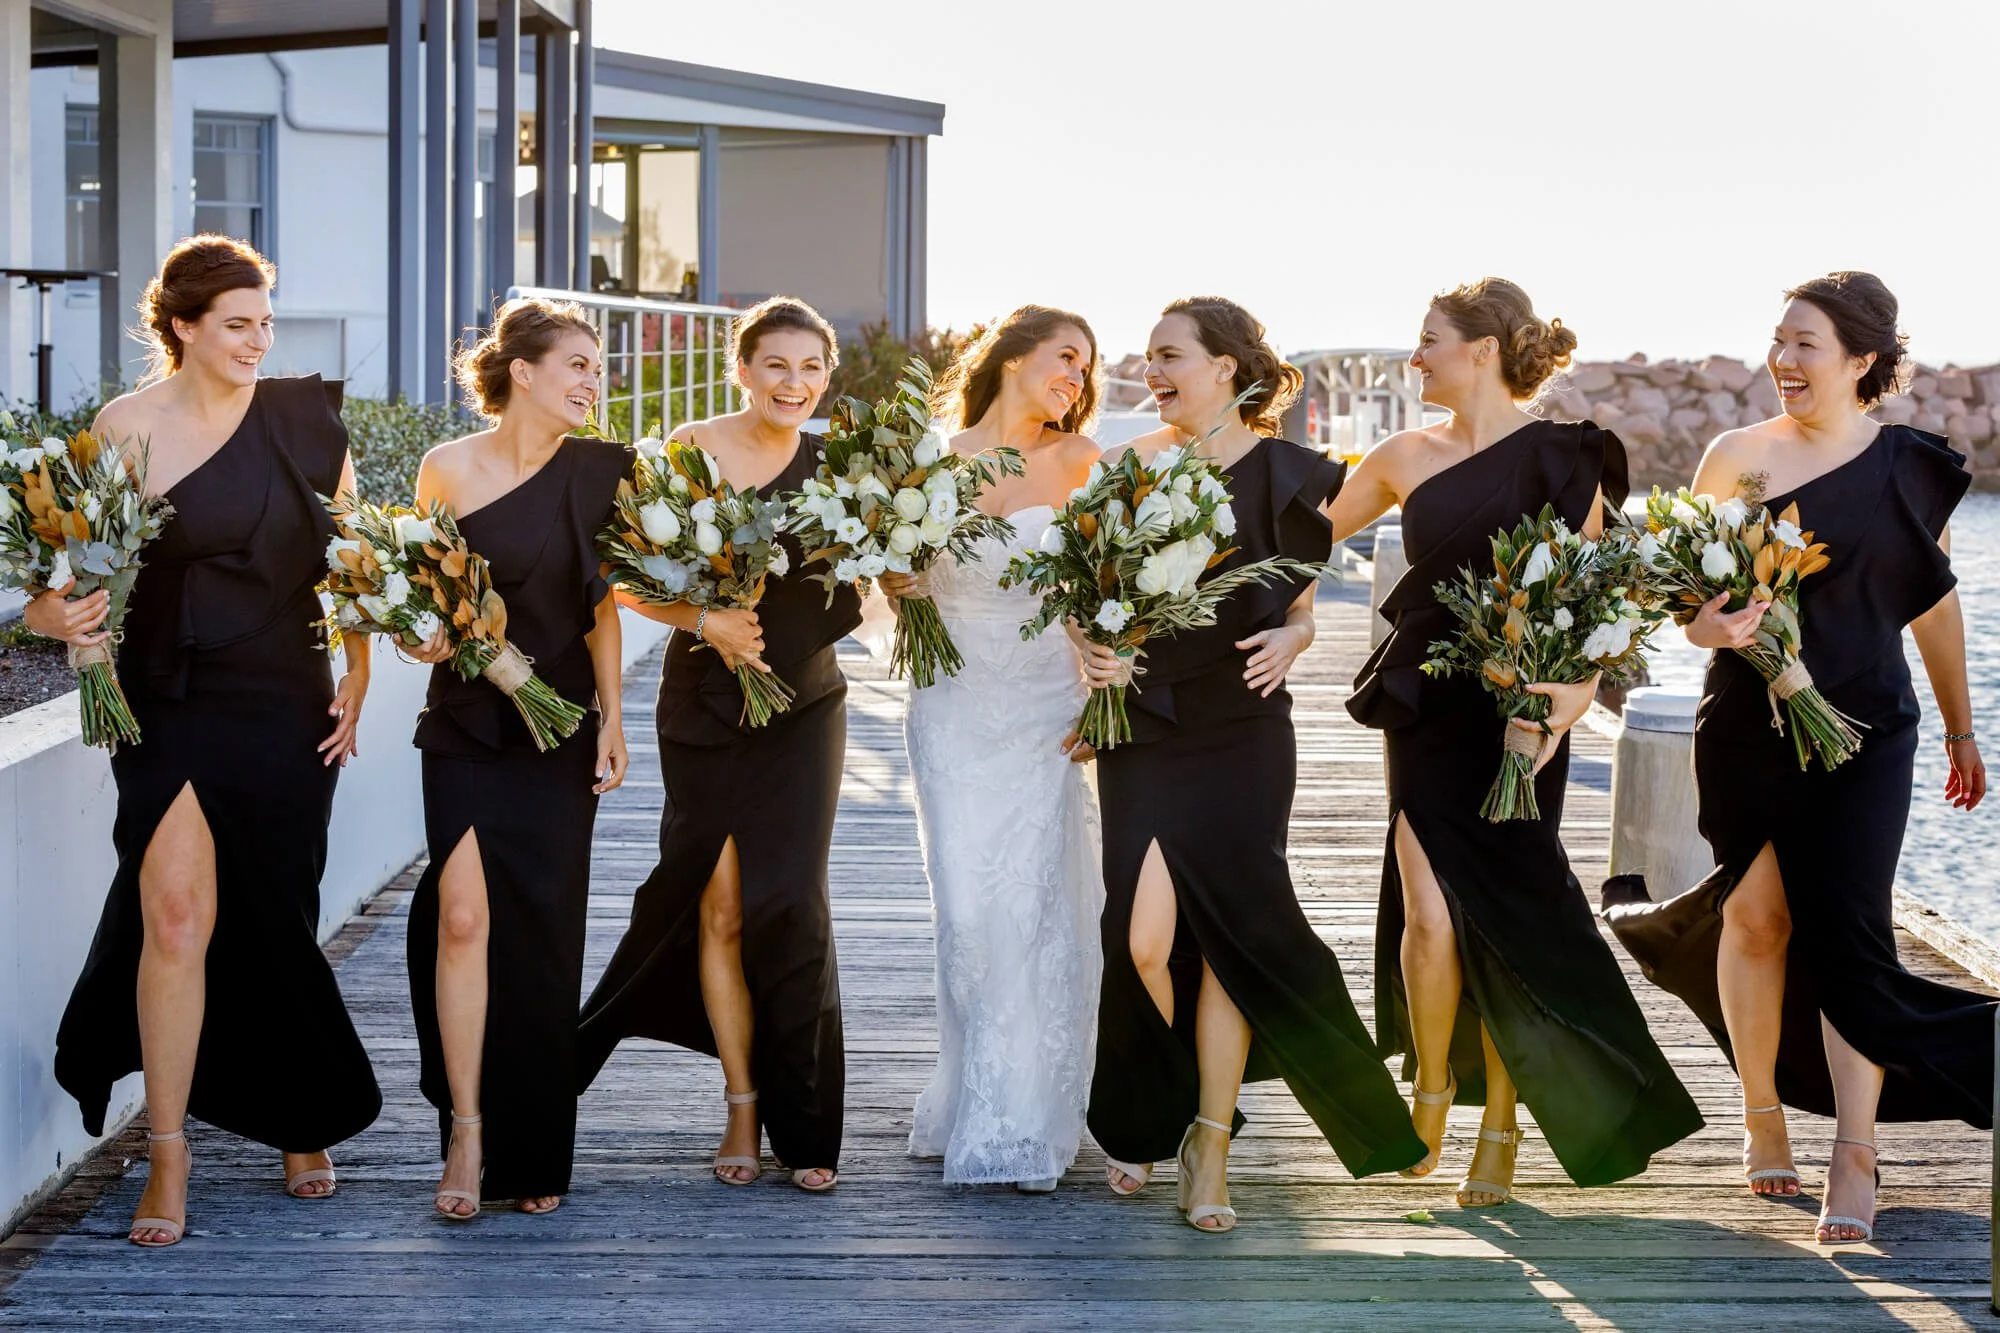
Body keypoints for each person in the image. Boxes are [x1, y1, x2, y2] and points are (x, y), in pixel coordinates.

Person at [1605, 272, 1991, 1243]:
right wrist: (1709, 628)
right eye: (1776, 340)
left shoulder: (1909, 467)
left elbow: (1931, 604)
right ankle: (1761, 1118)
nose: (1781, 359)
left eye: (1804, 342)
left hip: (1865, 728)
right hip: (1741, 724)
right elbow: (1683, 610)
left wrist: (1958, 727)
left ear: (1860, 360)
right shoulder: (1732, 458)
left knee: (1848, 938)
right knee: (1753, 915)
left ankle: (1852, 1155)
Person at [35, 235, 380, 1247]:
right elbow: (72, 574)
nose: (257, 340)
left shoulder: (307, 420)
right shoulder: (124, 426)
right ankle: (172, 1148)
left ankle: (296, 1113)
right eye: (238, 323)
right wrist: (53, 618)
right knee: (177, 916)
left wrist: (358, 673)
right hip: (168, 697)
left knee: (273, 915)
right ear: (181, 326)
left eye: (266, 321)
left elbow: (358, 560)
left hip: (284, 693)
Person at [1334, 277, 1702, 1208]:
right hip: (1426, 702)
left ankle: (1500, 1126)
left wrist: (1573, 696)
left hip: (1522, 716)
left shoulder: (1566, 459)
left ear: (1484, 349)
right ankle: (1430, 1090)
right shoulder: (1399, 454)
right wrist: (1278, 620)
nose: (1415, 359)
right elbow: (1293, 543)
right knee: (1426, 913)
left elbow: (1602, 597)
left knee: (1507, 923)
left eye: (1428, 340)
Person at [1087, 297, 1426, 1233]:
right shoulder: (1126, 469)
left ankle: (1209, 1144)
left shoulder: (1298, 475)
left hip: (1243, 729)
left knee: (1234, 935)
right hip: (1146, 725)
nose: (1152, 373)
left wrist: (1303, 635)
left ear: (1229, 368)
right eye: (1147, 358)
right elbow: (1088, 599)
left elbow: (1302, 602)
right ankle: (1190, 1095)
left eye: (1170, 357)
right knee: (1143, 939)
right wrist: (1095, 652)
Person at [578, 297, 859, 1192]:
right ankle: (742, 1104)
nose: (796, 384)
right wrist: (706, 618)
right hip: (703, 703)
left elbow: (876, 570)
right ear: (743, 368)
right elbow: (618, 578)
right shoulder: (683, 451)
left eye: (812, 368)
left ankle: (806, 1120)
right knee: (721, 905)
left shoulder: (843, 465)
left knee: (795, 904)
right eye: (777, 365)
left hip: (805, 706)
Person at [878, 306, 1124, 1192]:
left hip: (1045, 701)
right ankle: (974, 1093)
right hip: (951, 700)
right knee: (968, 909)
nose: (1076, 376)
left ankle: (1025, 1118)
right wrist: (896, 581)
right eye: (1065, 356)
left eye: (1085, 366)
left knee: (1040, 903)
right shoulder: (928, 461)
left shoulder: (1080, 461)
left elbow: (1110, 589)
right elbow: (895, 586)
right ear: (1012, 359)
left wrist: (1105, 688)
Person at [401, 298, 632, 1218]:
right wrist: (429, 638)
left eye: (597, 367)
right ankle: (466, 1130)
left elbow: (602, 608)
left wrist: (612, 717)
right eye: (576, 363)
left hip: (557, 723)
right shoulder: (444, 469)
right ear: (523, 371)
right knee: (463, 919)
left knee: (541, 930)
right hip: (463, 720)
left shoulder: (606, 470)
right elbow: (422, 598)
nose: (591, 381)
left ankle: (533, 1139)